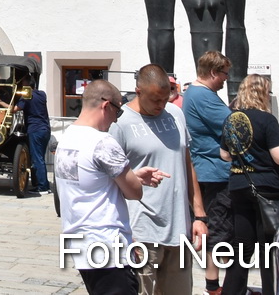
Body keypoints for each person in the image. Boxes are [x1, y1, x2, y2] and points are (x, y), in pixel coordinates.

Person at [58, 79, 170, 295]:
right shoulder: (103, 142)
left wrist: (134, 175)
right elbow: (134, 192)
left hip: (80, 245)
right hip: (107, 244)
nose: (116, 120)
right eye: (118, 113)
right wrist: (135, 180)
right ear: (106, 105)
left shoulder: (67, 138)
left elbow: (89, 183)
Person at [114, 65, 206, 295]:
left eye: (166, 99)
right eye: (155, 100)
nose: (161, 106)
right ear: (138, 91)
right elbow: (111, 178)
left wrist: (199, 216)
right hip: (140, 229)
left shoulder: (175, 115)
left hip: (178, 228)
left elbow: (187, 164)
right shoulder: (120, 123)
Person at [218, 74, 279, 295]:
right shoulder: (266, 119)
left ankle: (232, 291)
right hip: (267, 189)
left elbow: (224, 155)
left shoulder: (231, 119)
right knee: (269, 248)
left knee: (242, 246)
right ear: (262, 93)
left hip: (240, 185)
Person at [182, 51, 233, 295]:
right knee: (218, 230)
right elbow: (234, 124)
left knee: (217, 229)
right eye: (224, 74)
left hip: (210, 171)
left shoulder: (198, 93)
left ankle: (216, 284)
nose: (226, 79)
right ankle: (214, 287)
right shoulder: (202, 95)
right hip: (213, 173)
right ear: (213, 72)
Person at [24, 73, 53, 195]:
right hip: (45, 129)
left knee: (37, 159)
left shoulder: (26, 96)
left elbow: (14, 109)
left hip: (35, 129)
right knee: (39, 157)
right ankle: (38, 183)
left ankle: (42, 186)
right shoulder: (42, 94)